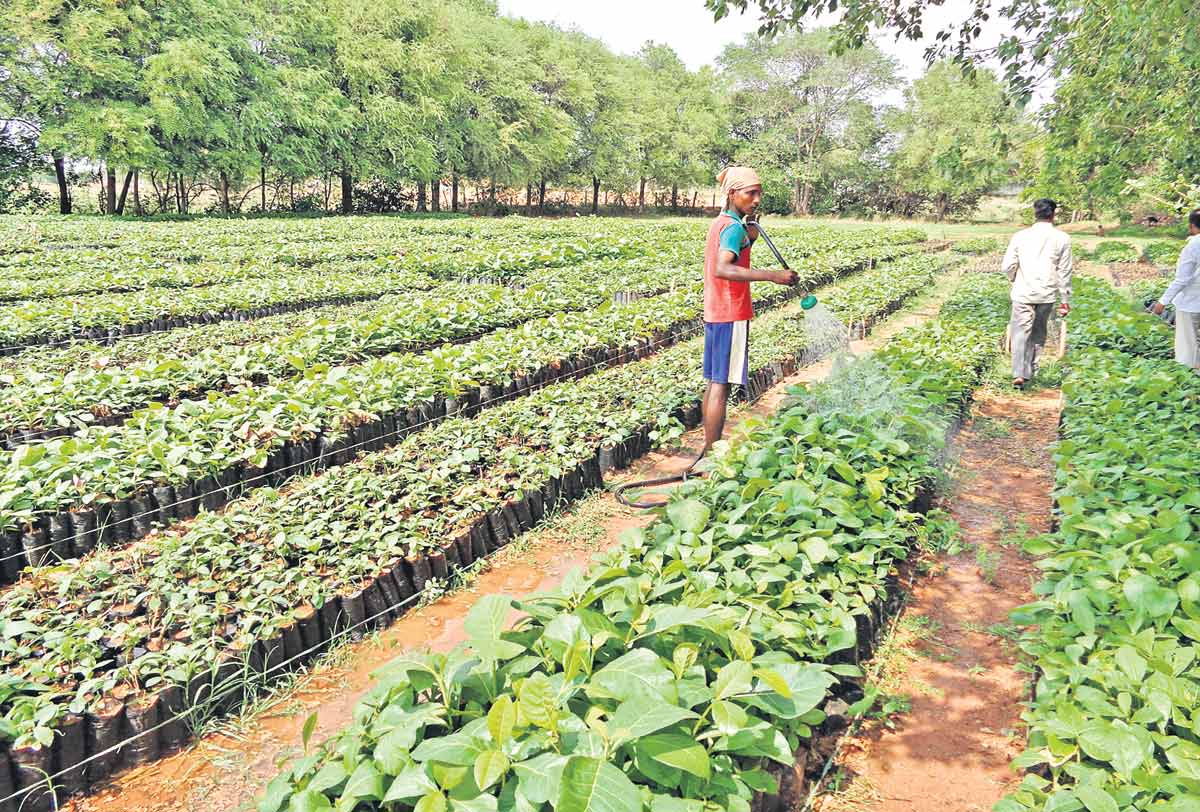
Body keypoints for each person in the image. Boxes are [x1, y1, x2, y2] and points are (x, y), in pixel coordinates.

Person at [699, 166, 798, 460]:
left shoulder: (724, 223)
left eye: (759, 193)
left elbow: (740, 247)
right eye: (750, 193)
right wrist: (773, 276)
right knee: (721, 385)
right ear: (732, 193)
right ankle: (712, 457)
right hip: (730, 312)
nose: (756, 199)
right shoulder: (732, 227)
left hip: (717, 310)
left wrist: (751, 229)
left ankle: (707, 451)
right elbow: (724, 267)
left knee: (715, 381)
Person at [1001, 198, 1073, 388]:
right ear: (1053, 214)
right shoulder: (1062, 238)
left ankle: (1019, 373)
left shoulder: (1020, 236)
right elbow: (1064, 271)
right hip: (1046, 294)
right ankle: (1031, 370)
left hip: (1023, 292)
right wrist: (1064, 300)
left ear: (1035, 214)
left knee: (1020, 332)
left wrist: (1014, 278)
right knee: (1038, 332)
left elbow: (1008, 265)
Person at [1151, 208, 1200, 371]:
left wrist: (1163, 301)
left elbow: (1182, 279)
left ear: (1191, 226)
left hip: (1191, 303)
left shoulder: (1193, 245)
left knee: (1187, 347)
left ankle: (1187, 385)